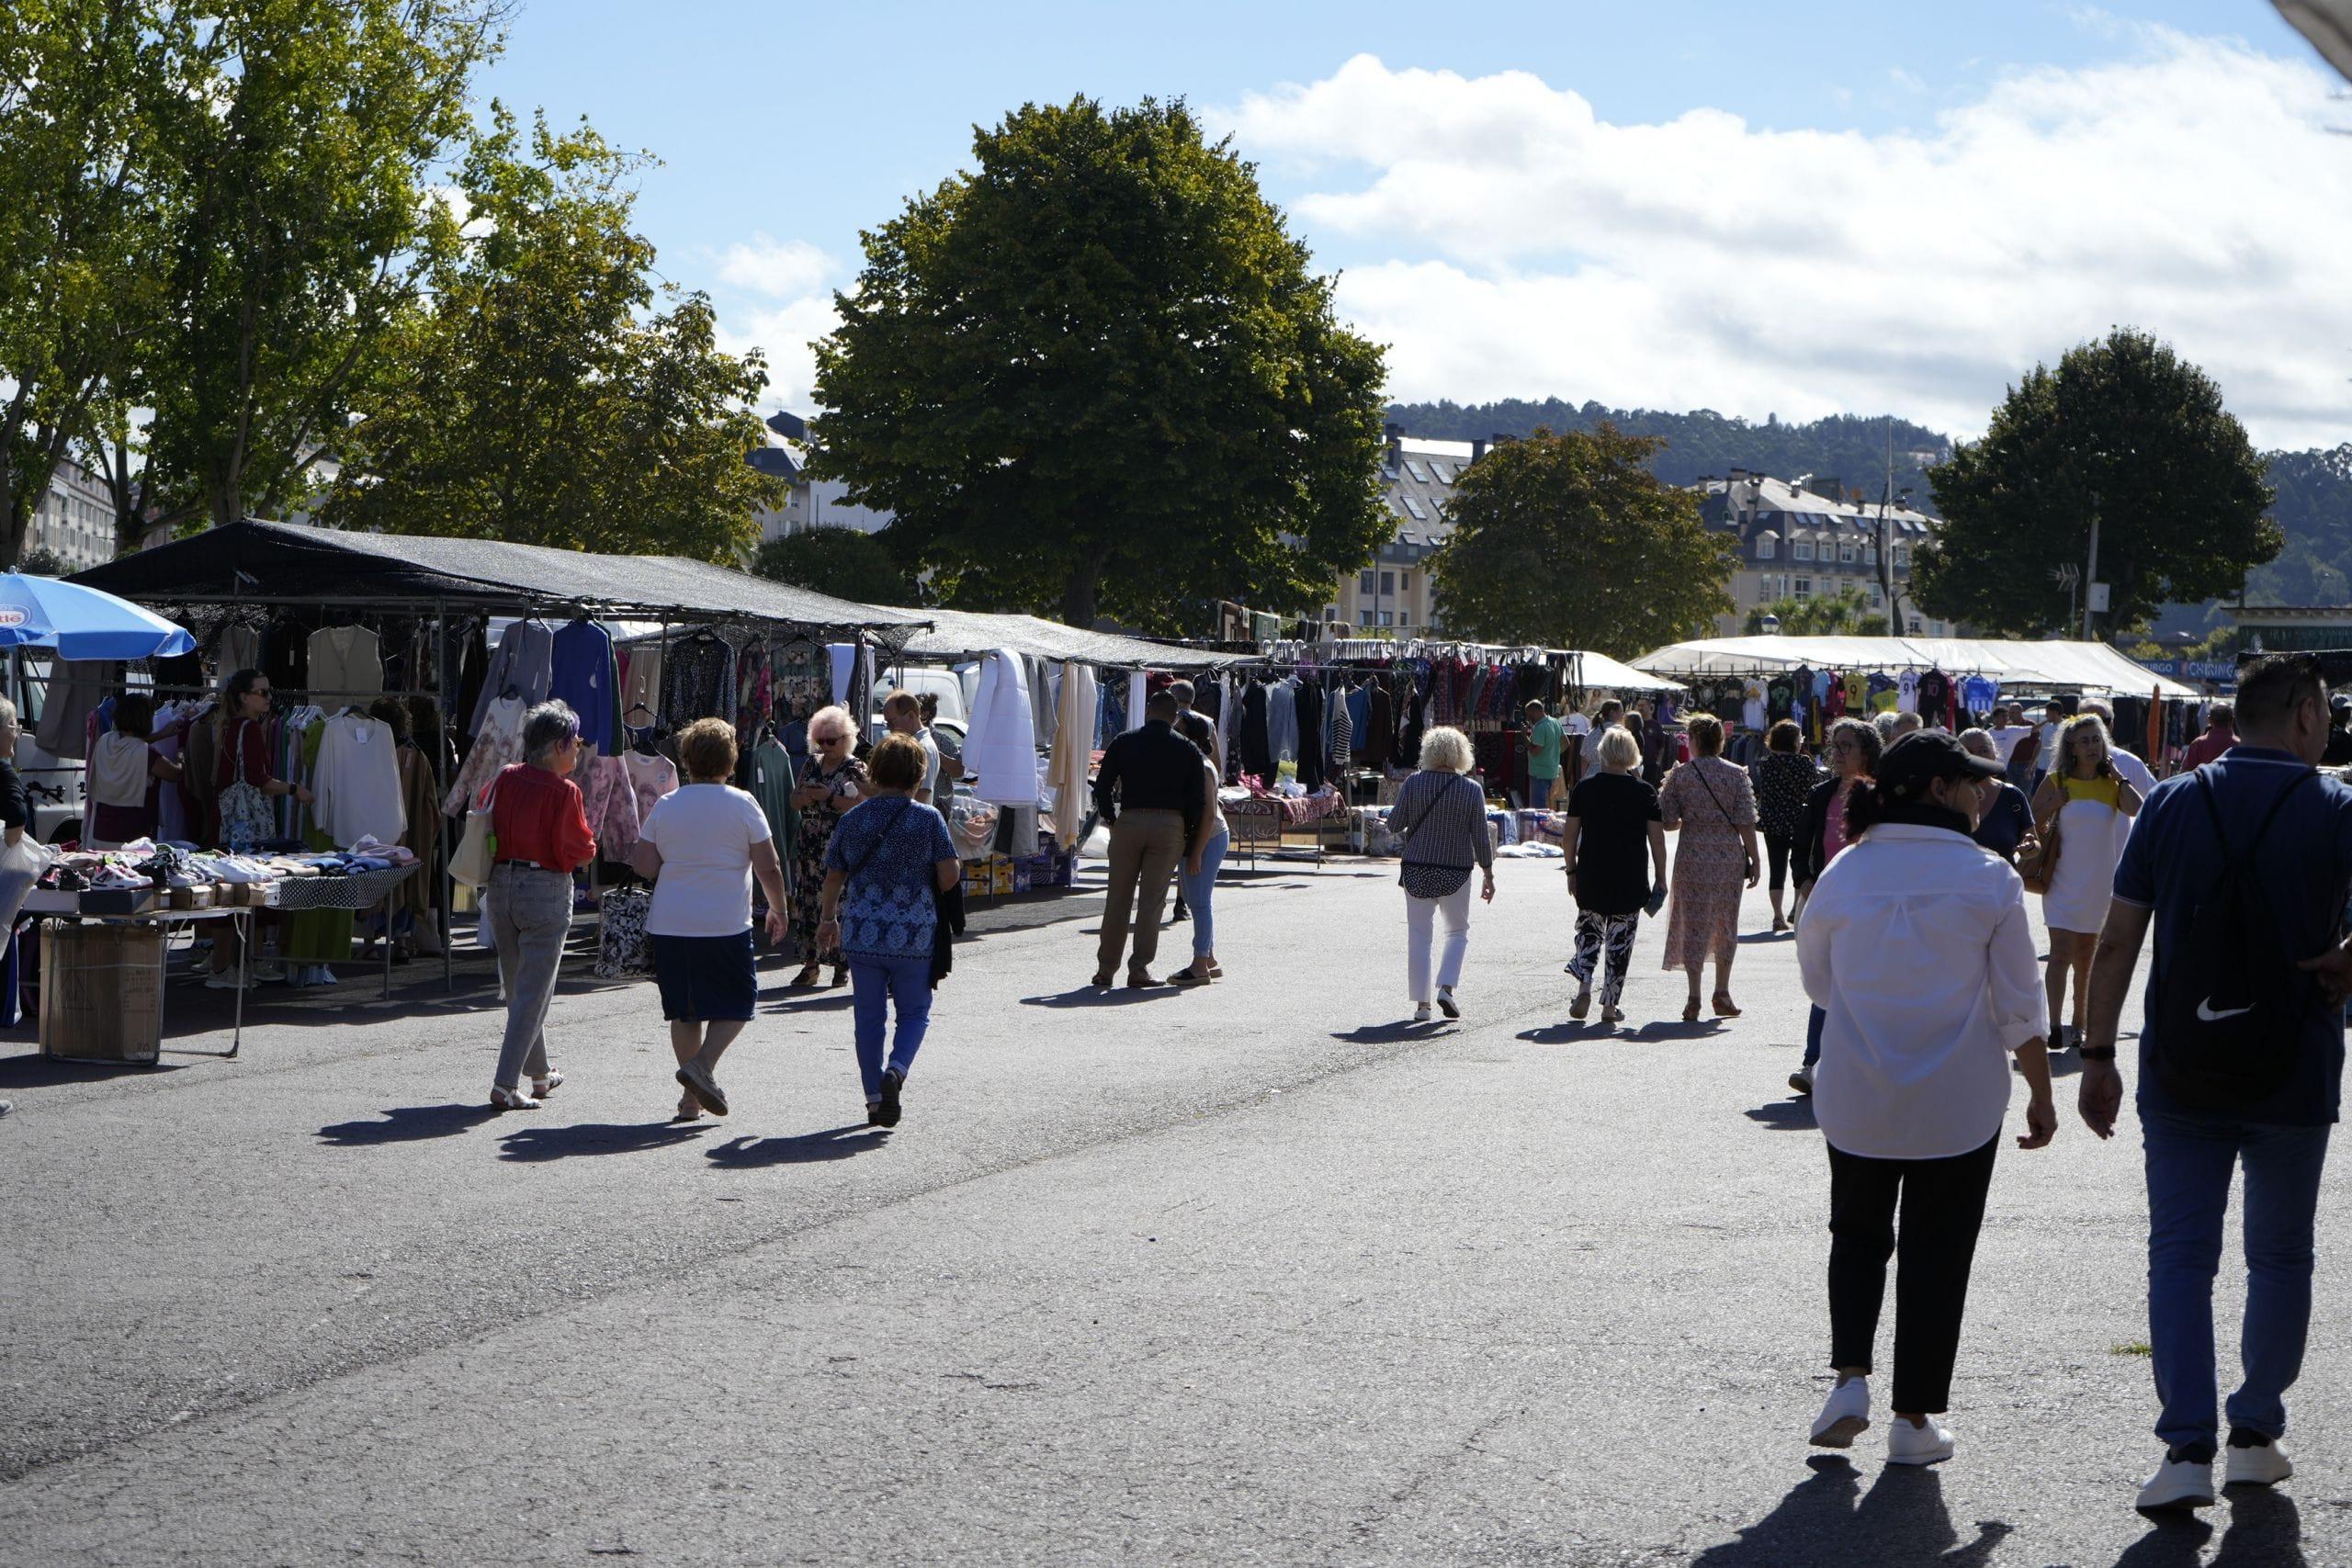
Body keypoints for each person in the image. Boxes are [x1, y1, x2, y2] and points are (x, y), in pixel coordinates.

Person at [2082, 653, 2352, 1512]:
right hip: (2294, 1065)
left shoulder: (2170, 800)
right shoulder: (2336, 805)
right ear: (2307, 713)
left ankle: (2185, 1447)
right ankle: (2255, 1433)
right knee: (2280, 1252)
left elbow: (2118, 937)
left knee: (2180, 1255)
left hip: (2180, 1068)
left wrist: (2095, 1055)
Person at [1799, 731, 2056, 1466]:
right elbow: (2019, 1003)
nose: (1984, 795)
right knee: (1937, 1254)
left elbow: (1820, 985)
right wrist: (2042, 1090)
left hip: (1858, 1088)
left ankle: (1849, 1378)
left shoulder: (1844, 872)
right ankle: (1913, 1422)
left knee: (1855, 1233)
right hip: (1960, 1097)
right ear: (1939, 789)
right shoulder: (1990, 877)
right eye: (1972, 783)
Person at [630, 718, 791, 1122]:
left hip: (671, 923)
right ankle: (701, 1068)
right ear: (731, 761)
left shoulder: (667, 805)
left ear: (686, 761)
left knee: (685, 1011)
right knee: (740, 1003)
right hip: (724, 923)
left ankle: (690, 1099)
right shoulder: (743, 803)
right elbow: (768, 867)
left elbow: (645, 865)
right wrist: (779, 908)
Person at [819, 732, 960, 1128]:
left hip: (863, 932)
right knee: (914, 1012)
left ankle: (873, 1100)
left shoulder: (853, 819)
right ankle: (896, 1071)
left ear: (876, 773)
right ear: (919, 775)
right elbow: (948, 878)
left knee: (868, 1017)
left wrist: (828, 921)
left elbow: (833, 877)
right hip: (914, 935)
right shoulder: (928, 819)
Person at [483, 702, 597, 1110]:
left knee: (520, 989)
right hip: (544, 889)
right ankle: (504, 1083)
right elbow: (578, 850)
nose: (578, 751)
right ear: (557, 746)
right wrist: (591, 846)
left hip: (501, 885)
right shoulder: (565, 791)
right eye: (575, 743)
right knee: (532, 993)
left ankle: (540, 1074)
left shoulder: (506, 777)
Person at [2030, 715, 2141, 1052]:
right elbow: (2032, 820)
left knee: (2086, 959)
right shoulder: (2057, 779)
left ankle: (2079, 1023)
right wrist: (2053, 803)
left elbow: (2136, 808)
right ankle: (2053, 1025)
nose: (2093, 746)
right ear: (2071, 748)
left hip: (2098, 885)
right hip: (2062, 880)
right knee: (2060, 954)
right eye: (2085, 741)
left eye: (2097, 739)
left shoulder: (2112, 785)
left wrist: (2119, 777)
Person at [1789, 716, 1884, 1094]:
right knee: (1827, 982)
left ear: (1867, 752)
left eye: (1847, 746)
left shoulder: (1883, 796)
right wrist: (1805, 880)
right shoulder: (1822, 793)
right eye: (1835, 745)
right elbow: (1801, 846)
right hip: (1825, 902)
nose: (1838, 753)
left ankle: (1862, 1062)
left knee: (1861, 983)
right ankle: (1814, 1063)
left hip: (1870, 905)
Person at [1091, 689, 1205, 988]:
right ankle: (1139, 969)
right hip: (1169, 825)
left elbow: (1102, 786)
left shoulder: (1124, 741)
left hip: (1129, 820)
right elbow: (1197, 800)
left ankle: (1106, 970)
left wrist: (1111, 819)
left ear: (1148, 711)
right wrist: (1188, 834)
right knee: (1152, 901)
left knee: (1117, 898)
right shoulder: (1188, 749)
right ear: (1175, 716)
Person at [208, 669, 315, 988]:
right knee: (243, 892)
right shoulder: (250, 730)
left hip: (231, 821)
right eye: (262, 692)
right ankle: (224, 969)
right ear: (244, 696)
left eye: (269, 692)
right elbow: (258, 780)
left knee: (239, 892)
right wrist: (296, 789)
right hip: (248, 824)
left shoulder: (230, 726)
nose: (269, 698)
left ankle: (240, 964)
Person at [1657, 713, 1760, 1022]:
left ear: (1695, 741)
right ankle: (1722, 993)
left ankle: (1694, 997)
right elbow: (1746, 821)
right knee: (1725, 923)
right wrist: (1754, 858)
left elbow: (1669, 822)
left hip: (1691, 858)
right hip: (1728, 858)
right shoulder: (1736, 775)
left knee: (1694, 924)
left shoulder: (1681, 776)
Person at [1562, 725, 1667, 1025]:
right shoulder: (1644, 792)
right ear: (1632, 754)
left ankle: (1583, 987)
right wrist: (1660, 876)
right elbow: (1657, 841)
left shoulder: (1584, 788)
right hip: (1630, 877)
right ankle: (1610, 1005)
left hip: (1592, 873)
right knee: (1620, 941)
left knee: (1589, 932)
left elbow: (1569, 838)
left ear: (1603, 752)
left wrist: (1571, 870)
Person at [1393, 725, 1495, 1021]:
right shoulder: (1471, 789)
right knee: (1457, 931)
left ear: (1428, 751)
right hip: (1456, 870)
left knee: (1419, 936)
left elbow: (1394, 825)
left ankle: (1422, 1006)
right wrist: (1488, 873)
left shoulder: (1413, 783)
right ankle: (1446, 988)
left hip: (1417, 868)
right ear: (1462, 754)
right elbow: (1480, 837)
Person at [787, 705, 867, 989]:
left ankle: (840, 966)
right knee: (808, 901)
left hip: (839, 843)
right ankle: (810, 964)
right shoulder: (811, 764)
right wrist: (806, 798)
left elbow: (863, 806)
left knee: (837, 904)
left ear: (845, 738)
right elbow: (793, 801)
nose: (825, 746)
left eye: (831, 740)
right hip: (809, 843)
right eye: (820, 740)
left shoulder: (855, 767)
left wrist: (831, 797)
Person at [85, 694, 185, 849]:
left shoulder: (106, 741)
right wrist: (181, 754)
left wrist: (163, 734)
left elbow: (129, 745)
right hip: (132, 839)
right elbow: (175, 774)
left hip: (101, 832)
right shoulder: (146, 754)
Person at [1752, 719, 1822, 932]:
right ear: (1794, 741)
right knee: (1799, 864)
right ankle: (1794, 908)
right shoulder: (1804, 763)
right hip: (1798, 821)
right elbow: (1815, 787)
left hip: (1772, 821)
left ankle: (1777, 915)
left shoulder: (1766, 764)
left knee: (1777, 868)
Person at [1170, 741, 1228, 987]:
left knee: (1200, 903)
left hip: (1208, 839)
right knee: (1197, 900)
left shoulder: (1202, 767)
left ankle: (1199, 964)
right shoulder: (1194, 763)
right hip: (1199, 839)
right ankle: (1209, 958)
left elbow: (1209, 816)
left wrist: (1196, 854)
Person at [1168, 680, 1216, 923]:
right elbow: (1215, 758)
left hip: (1174, 795)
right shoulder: (1205, 722)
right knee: (1186, 852)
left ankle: (1165, 898)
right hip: (1197, 795)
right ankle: (1180, 901)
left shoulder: (1171, 722)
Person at [1958, 728, 2034, 865]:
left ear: (1995, 754)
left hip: (2002, 883)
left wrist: (2030, 847)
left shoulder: (2012, 795)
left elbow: (2034, 843)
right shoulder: (1949, 796)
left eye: (1983, 750)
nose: (1976, 757)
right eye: (1969, 752)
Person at [2079, 698, 2157, 799]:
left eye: (2103, 721)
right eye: (2088, 721)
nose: (2096, 727)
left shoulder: (2131, 763)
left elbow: (2156, 801)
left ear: (2111, 725)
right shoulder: (2063, 763)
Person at [880, 689, 942, 807]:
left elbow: (922, 798)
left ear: (910, 716)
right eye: (887, 723)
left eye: (892, 722)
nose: (889, 728)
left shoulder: (922, 747)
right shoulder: (917, 744)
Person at [1523, 699, 1563, 810]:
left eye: (1528, 714)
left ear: (1534, 712)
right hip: (1552, 771)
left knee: (1538, 810)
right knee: (1548, 807)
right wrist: (1552, 755)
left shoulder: (1540, 727)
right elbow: (1566, 742)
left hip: (1539, 773)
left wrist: (1524, 736)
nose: (1528, 718)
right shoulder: (1555, 722)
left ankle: (1539, 828)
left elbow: (1535, 751)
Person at [2181, 702, 2237, 769]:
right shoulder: (2240, 745)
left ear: (2209, 720)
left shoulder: (2198, 744)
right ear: (2232, 720)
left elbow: (2185, 772)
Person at [1582, 700, 1626, 775]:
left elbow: (1584, 760)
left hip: (1591, 775)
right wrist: (1638, 778)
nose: (1623, 714)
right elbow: (1628, 756)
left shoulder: (1592, 731)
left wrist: (1583, 778)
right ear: (1612, 712)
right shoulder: (1619, 731)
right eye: (1621, 711)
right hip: (1612, 774)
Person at [2324, 694, 2352, 766]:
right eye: (2342, 710)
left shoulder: (2345, 733)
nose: (2347, 712)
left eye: (2348, 709)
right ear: (2334, 712)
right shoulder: (2331, 735)